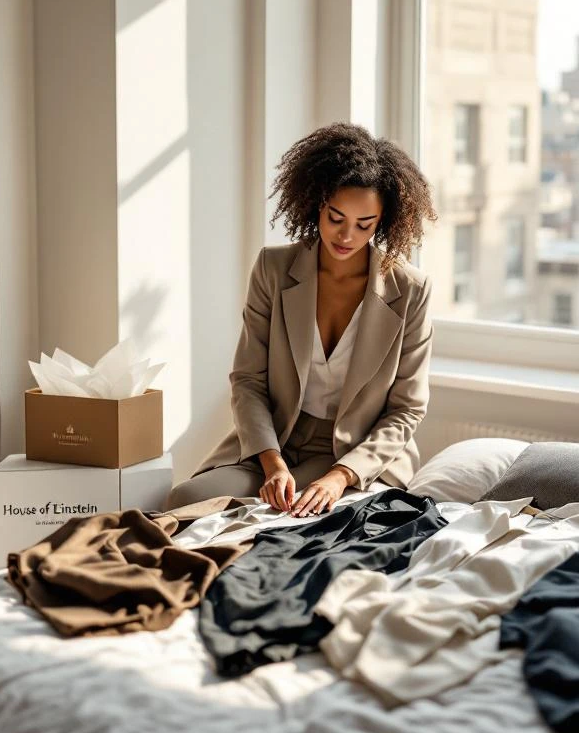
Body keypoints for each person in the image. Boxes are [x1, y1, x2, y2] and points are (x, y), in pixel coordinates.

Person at [165, 123, 437, 516]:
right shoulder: (273, 269)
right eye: (336, 217)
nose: (346, 236)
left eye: (365, 225)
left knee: (291, 520)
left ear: (384, 221)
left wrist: (339, 476)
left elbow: (406, 410)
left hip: (356, 452)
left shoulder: (410, 290)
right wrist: (273, 465)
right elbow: (248, 381)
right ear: (316, 204)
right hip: (277, 440)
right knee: (184, 501)